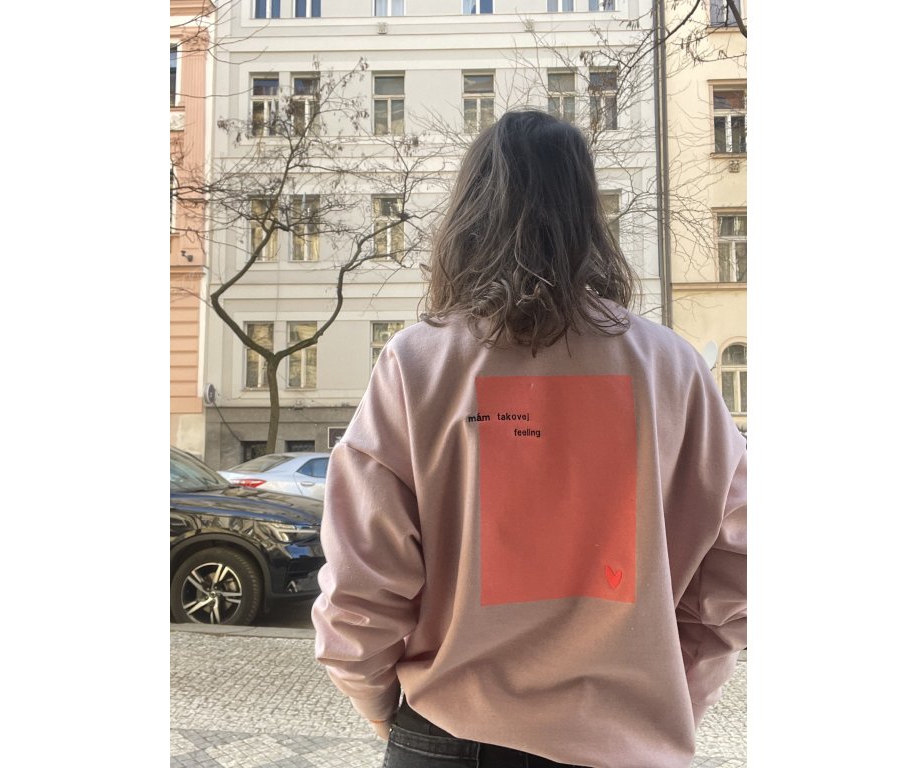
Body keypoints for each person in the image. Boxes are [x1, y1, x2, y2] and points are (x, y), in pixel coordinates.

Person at [311, 109, 746, 768]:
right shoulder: (672, 368)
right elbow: (735, 567)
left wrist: (378, 704)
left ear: (470, 213)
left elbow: (361, 582)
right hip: (623, 742)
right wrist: (675, 696)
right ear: (588, 213)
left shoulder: (418, 364)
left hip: (451, 735)